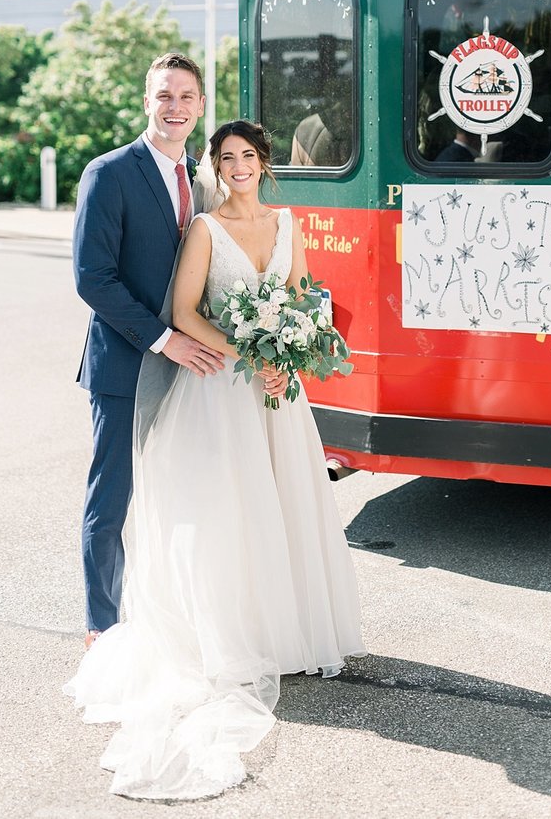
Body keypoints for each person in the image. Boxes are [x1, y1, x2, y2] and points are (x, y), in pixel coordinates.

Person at [65, 119, 365, 800]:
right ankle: (198, 633)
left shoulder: (290, 224)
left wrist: (289, 354)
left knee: (282, 504)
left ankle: (283, 634)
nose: (237, 167)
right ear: (214, 166)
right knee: (226, 509)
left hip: (277, 394)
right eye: (226, 158)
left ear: (265, 164)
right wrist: (250, 353)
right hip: (221, 384)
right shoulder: (203, 229)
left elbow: (305, 299)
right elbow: (184, 309)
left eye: (248, 157)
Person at [72, 52, 226, 650]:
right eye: (164, 95)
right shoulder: (108, 173)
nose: (175, 107)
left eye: (186, 97)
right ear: (146, 101)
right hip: (128, 362)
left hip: (196, 368)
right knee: (113, 498)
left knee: (189, 489)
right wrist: (167, 341)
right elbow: (93, 277)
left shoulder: (205, 178)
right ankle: (102, 627)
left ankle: (181, 613)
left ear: (201, 106)